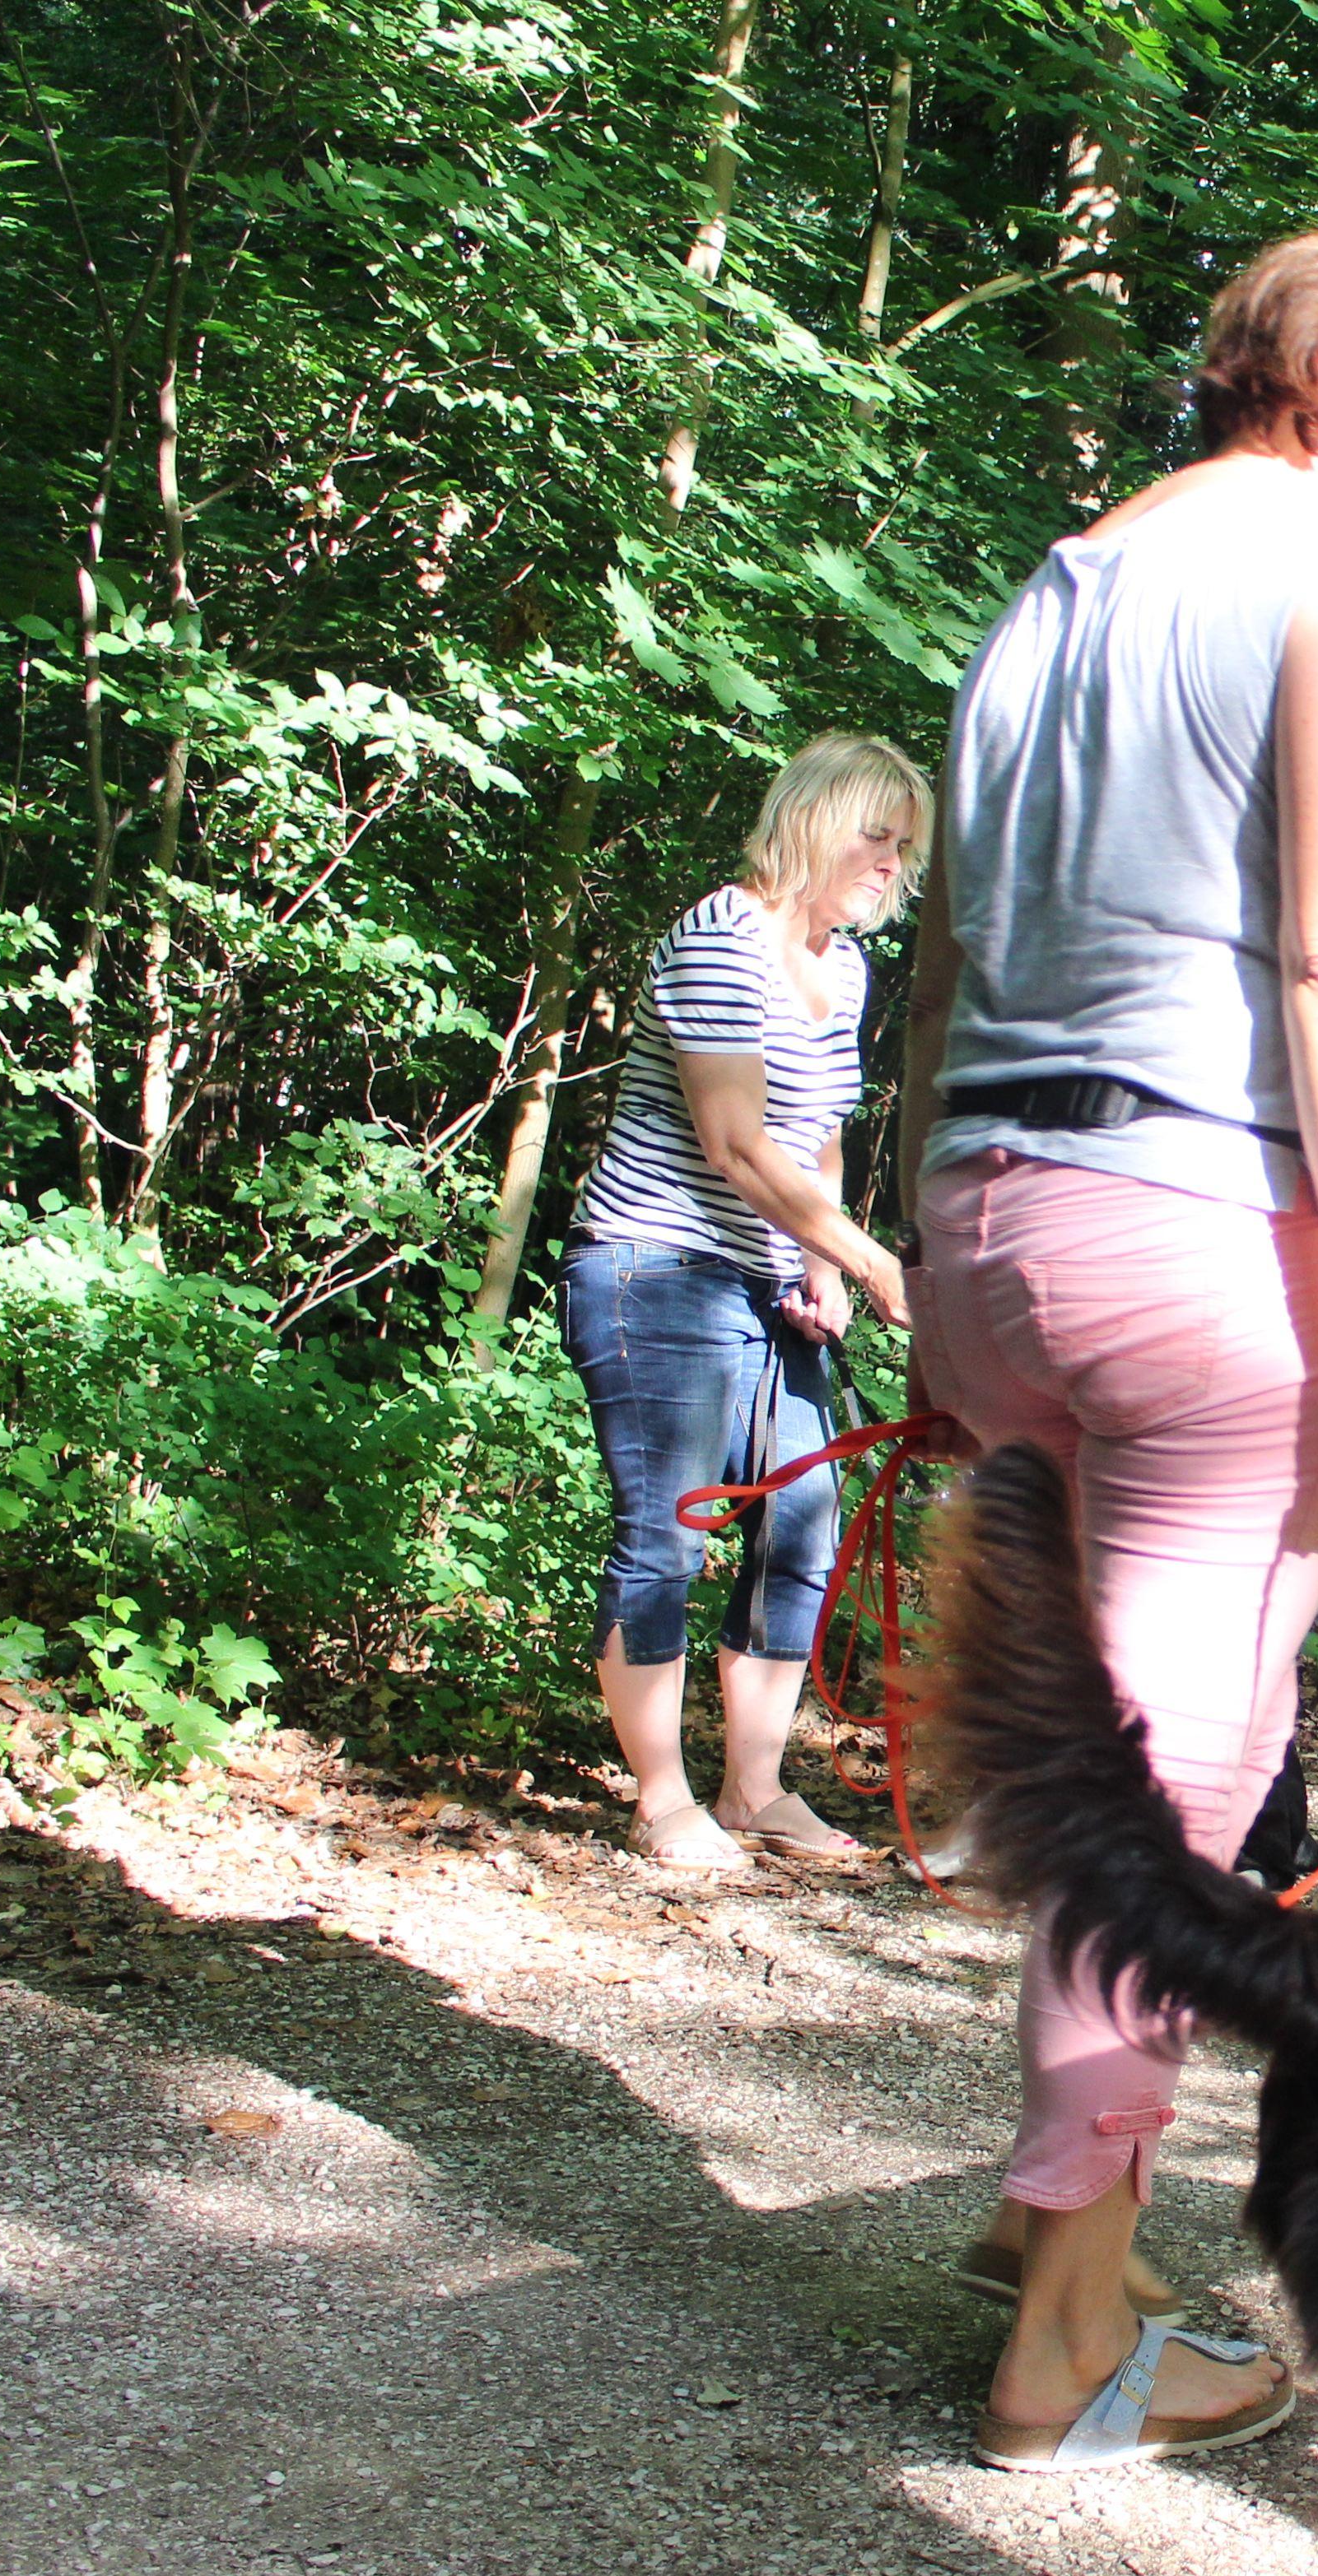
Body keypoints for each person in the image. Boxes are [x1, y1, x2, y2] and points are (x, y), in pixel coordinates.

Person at [897, 222, 1318, 2471]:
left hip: (995, 1221)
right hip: (1199, 1236)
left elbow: (964, 955)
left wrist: (933, 1244)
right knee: (1167, 1807)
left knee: (1100, 1763)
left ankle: (1055, 2219)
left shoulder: (1056, 588)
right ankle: (1071, 2338)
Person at [557, 732, 925, 1871]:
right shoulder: (725, 938)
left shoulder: (843, 965)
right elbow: (732, 1142)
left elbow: (817, 1139)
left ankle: (756, 1792)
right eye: (875, 835)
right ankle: (664, 1802)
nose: (890, 864)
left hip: (767, 1285)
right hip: (654, 1268)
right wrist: (870, 1261)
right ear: (811, 820)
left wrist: (818, 1270)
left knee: (804, 1526)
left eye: (905, 848)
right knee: (666, 1533)